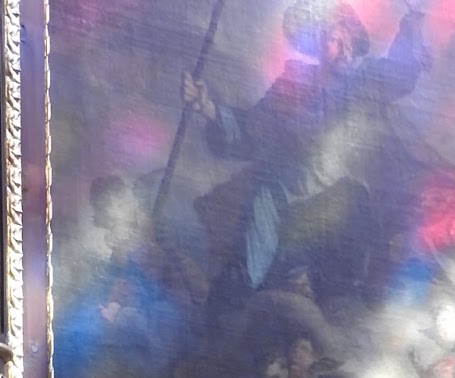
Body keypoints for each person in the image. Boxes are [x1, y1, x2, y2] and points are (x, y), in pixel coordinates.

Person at [182, 0, 431, 310]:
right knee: (261, 217)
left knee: (350, 210)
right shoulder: (292, 87)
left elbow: (401, 73)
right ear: (317, 42)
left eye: (349, 42)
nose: (344, 51)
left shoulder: (366, 84)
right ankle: (235, 299)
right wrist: (206, 106)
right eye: (335, 40)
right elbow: (250, 133)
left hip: (339, 209)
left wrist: (413, 20)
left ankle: (338, 297)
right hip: (285, 202)